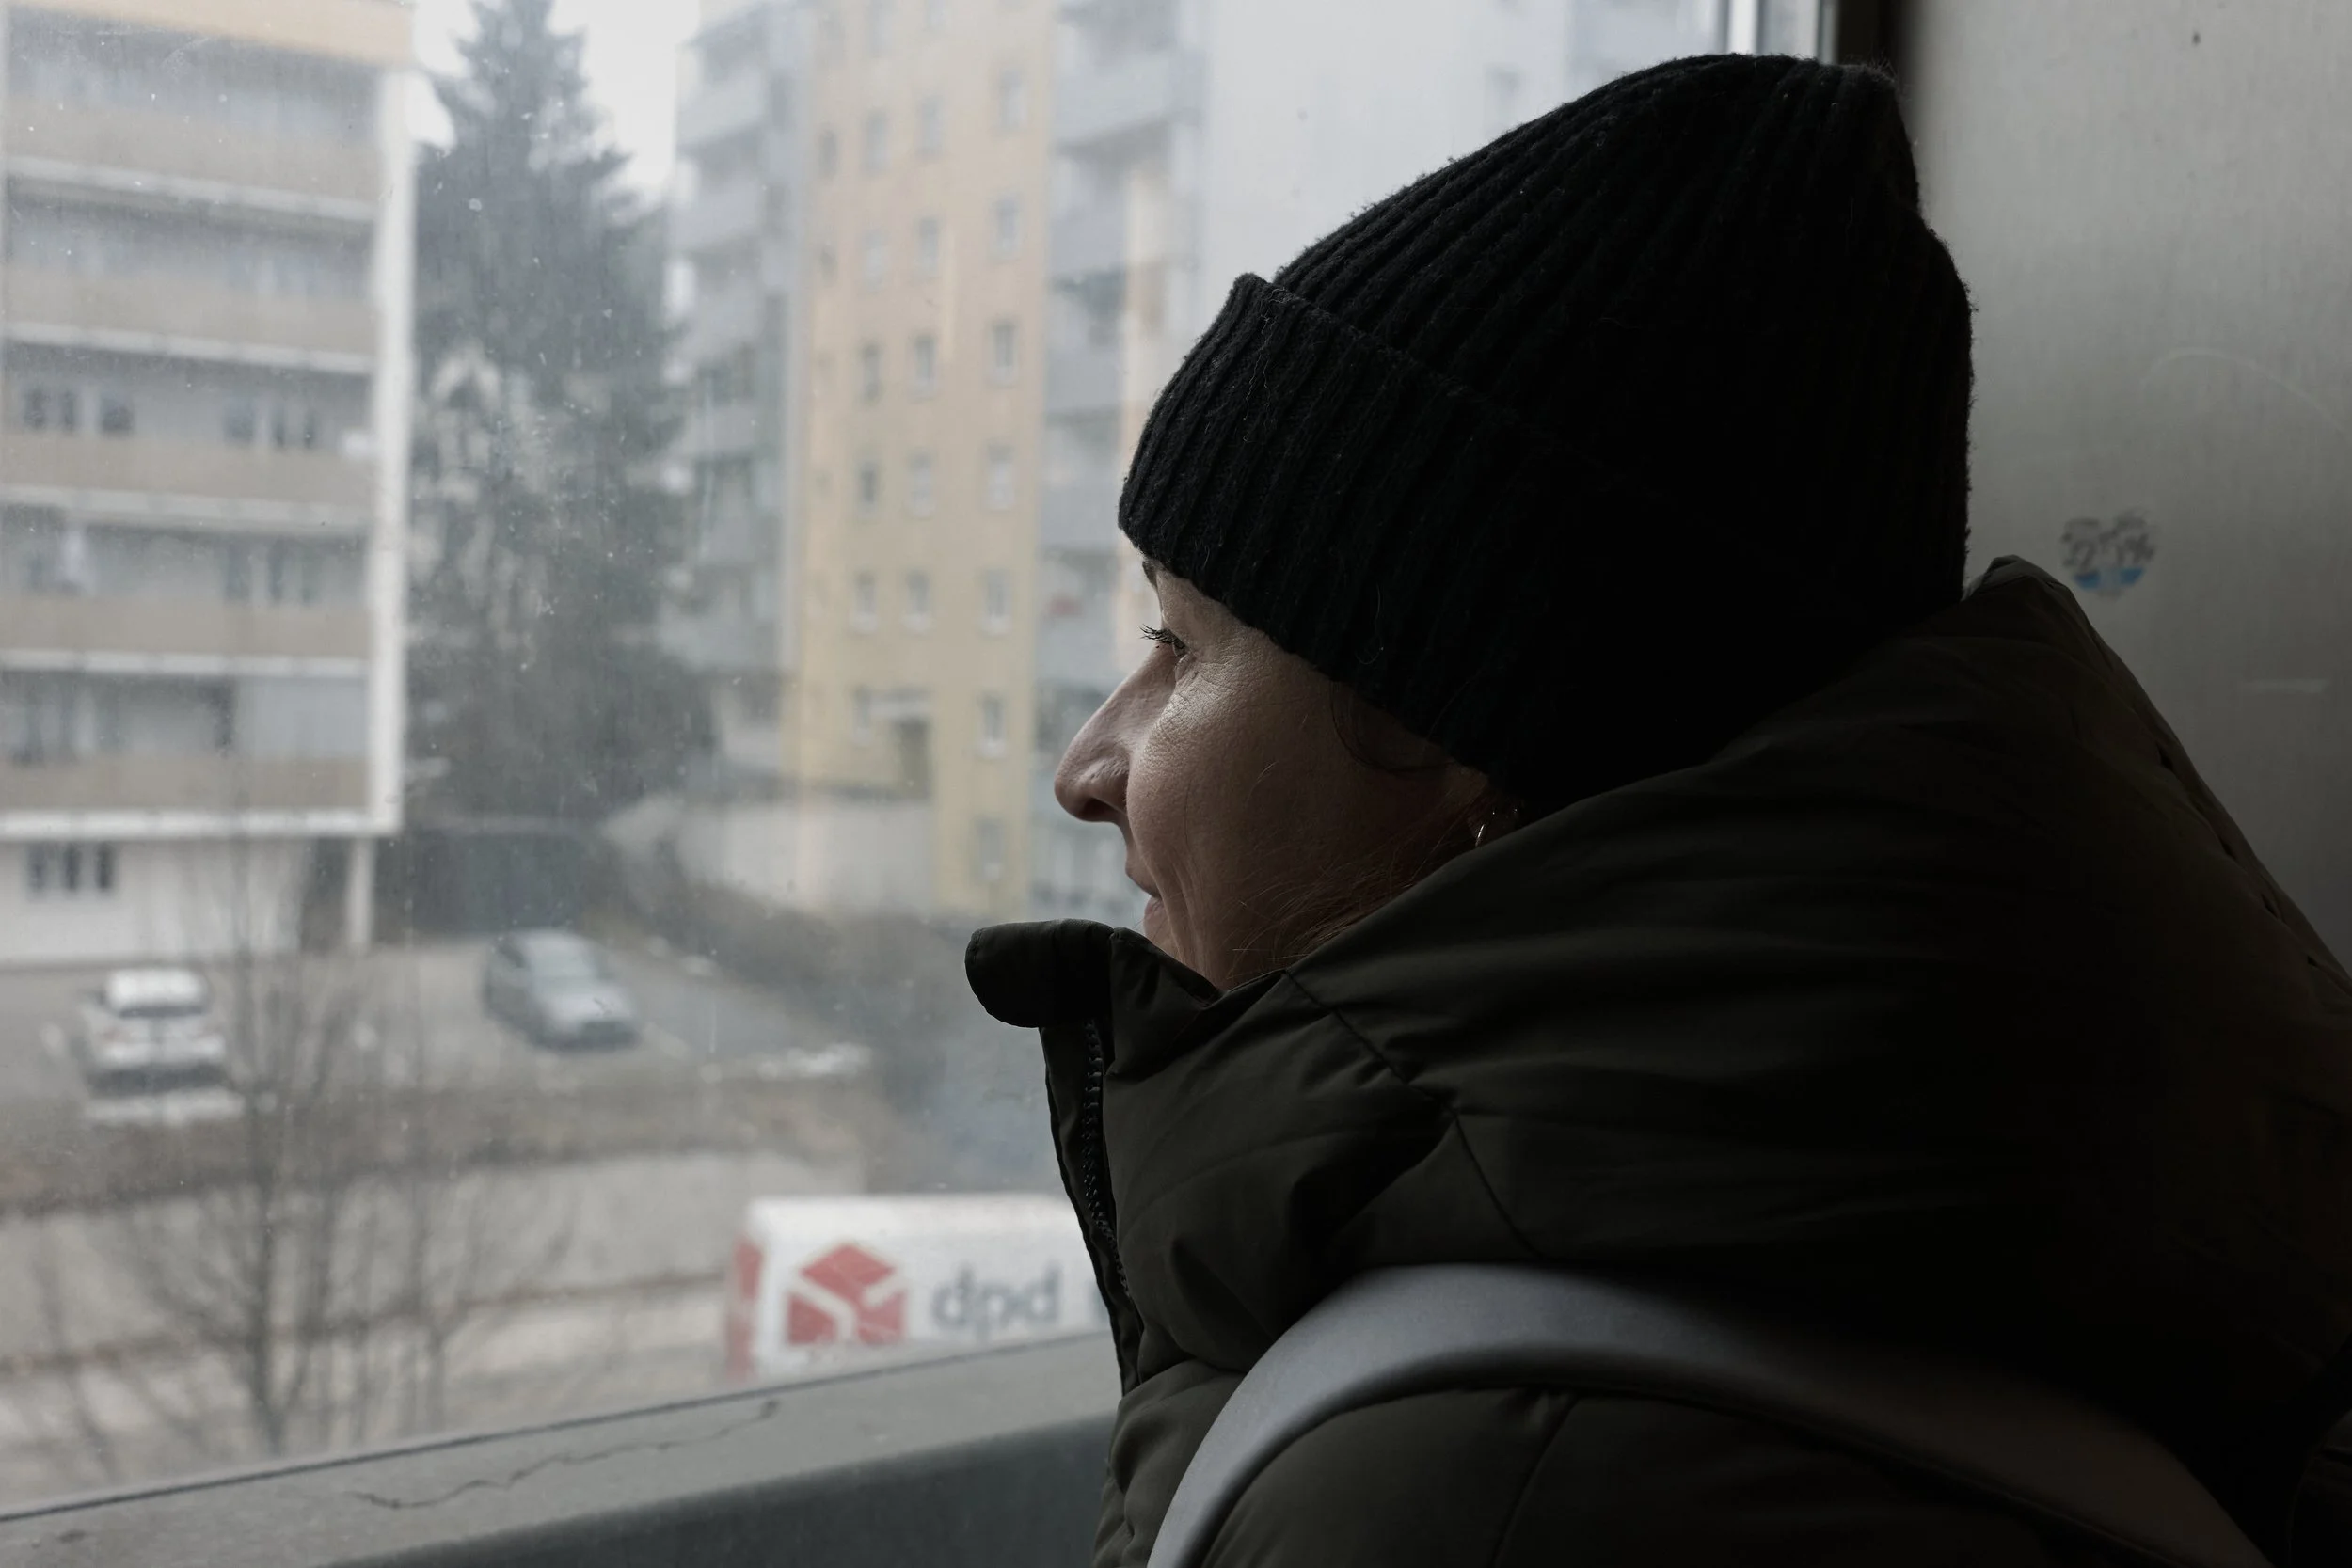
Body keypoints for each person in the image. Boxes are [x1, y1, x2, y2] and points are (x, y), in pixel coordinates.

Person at [966, 55, 2352, 1566]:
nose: (1089, 763)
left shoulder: (1466, 1498)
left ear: (1459, 727)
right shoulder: (1967, 1238)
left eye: (1177, 643)